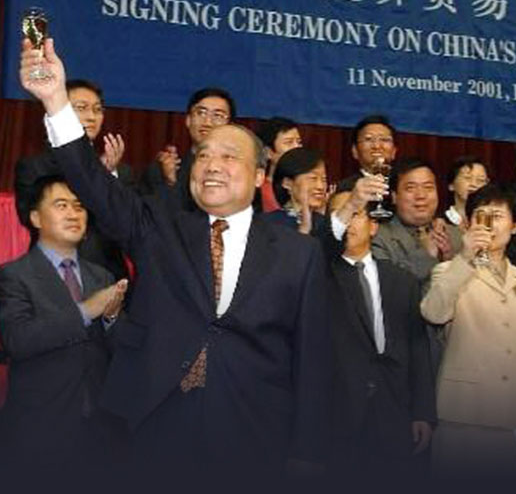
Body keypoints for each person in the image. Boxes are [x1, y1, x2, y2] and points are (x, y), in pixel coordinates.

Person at [18, 36, 330, 471]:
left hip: (252, 430)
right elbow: (93, 182)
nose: (212, 165)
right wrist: (55, 101)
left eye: (229, 156)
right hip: (154, 420)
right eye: (203, 156)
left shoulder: (298, 253)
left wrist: (307, 452)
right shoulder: (159, 225)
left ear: (260, 175)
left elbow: (313, 359)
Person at [421, 183, 516, 474]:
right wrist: (465, 257)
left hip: (515, 416)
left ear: (515, 226)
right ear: (467, 224)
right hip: (464, 413)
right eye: (481, 215)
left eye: (498, 216)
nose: (489, 224)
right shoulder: (448, 271)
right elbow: (433, 313)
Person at [0, 175, 127, 457]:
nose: (73, 214)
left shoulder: (102, 276)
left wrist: (111, 319)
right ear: (36, 218)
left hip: (100, 430)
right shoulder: (14, 275)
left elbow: (121, 351)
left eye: (79, 206)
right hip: (38, 428)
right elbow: (17, 341)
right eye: (61, 205)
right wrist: (86, 310)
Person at [324, 190, 435, 470]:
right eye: (340, 215)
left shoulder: (402, 280)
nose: (348, 222)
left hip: (395, 407)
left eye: (356, 214)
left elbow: (418, 349)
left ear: (373, 225)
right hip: (338, 411)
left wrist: (422, 412)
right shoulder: (320, 275)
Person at [14, 77, 133, 281]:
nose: (91, 117)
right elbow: (29, 218)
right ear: (59, 112)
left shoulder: (121, 172)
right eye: (81, 108)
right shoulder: (34, 167)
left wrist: (107, 178)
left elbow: (128, 226)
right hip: (51, 276)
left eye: (97, 110)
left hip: (107, 277)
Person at [140, 85, 237, 209]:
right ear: (188, 120)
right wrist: (171, 182)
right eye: (201, 113)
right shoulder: (161, 171)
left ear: (230, 126)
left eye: (217, 115)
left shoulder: (239, 172)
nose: (207, 122)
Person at [371, 157, 462, 287]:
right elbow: (390, 288)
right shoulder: (379, 238)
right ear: (394, 196)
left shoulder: (456, 235)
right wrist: (427, 256)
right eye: (410, 188)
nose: (421, 195)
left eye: (428, 187)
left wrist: (449, 260)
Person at [268, 147, 328, 236]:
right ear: (287, 183)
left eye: (324, 179)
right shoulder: (269, 224)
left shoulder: (325, 224)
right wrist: (304, 230)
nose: (320, 186)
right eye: (313, 178)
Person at [339, 115, 397, 190]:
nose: (376, 146)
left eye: (384, 139)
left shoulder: (402, 184)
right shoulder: (346, 188)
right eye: (368, 139)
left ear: (394, 151)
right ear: (355, 151)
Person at [256, 117, 302, 212]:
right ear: (268, 152)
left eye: (299, 142)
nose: (296, 147)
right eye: (289, 142)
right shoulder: (256, 187)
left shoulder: (305, 183)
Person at [444, 155, 489, 227]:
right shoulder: (439, 224)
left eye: (480, 180)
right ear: (451, 185)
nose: (474, 184)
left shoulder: (491, 222)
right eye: (467, 178)